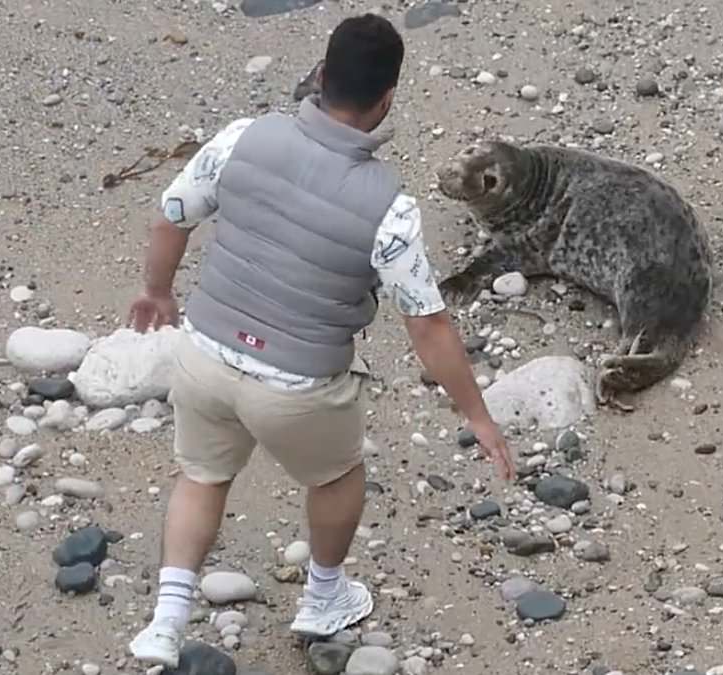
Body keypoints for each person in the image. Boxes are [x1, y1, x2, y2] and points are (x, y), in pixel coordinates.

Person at [124, 13, 516, 668]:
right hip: (297, 385)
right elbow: (427, 324)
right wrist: (476, 414)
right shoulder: (389, 207)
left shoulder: (243, 137)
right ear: (387, 98)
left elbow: (171, 214)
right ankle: (325, 595)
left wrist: (158, 291)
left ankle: (166, 620)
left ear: (322, 74)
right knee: (337, 477)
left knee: (201, 475)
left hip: (206, 354)